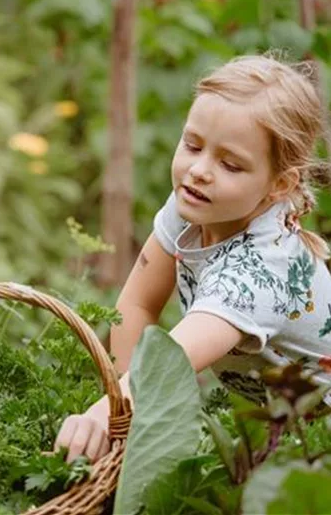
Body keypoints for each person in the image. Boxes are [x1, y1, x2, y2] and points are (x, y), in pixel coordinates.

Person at [55, 54, 331, 464]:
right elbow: (137, 304)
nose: (199, 171)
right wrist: (123, 416)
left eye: (230, 164)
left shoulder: (259, 274)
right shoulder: (196, 204)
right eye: (192, 145)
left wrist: (103, 417)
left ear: (279, 184)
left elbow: (172, 361)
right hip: (282, 425)